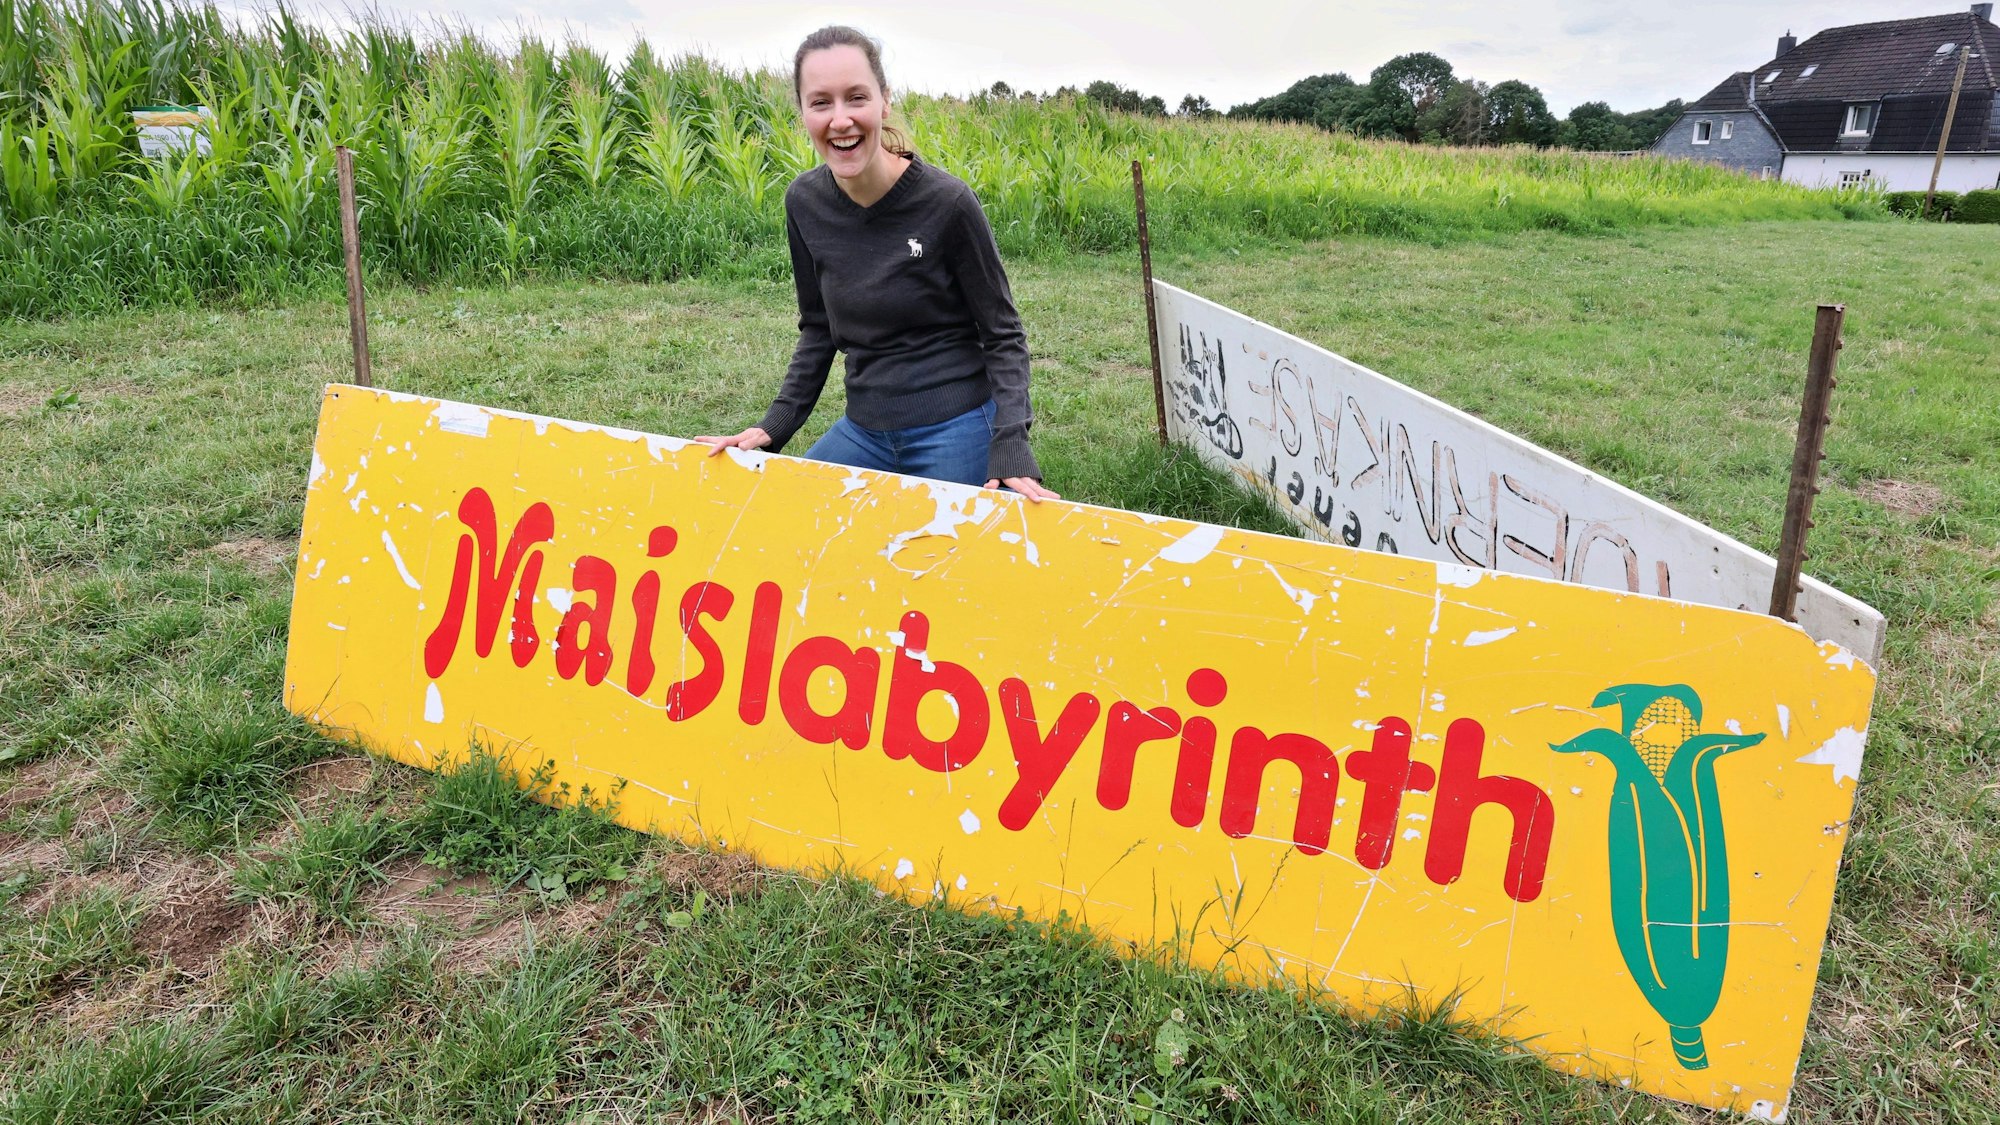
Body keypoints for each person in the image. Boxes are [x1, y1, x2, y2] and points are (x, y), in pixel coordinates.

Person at [696, 26, 1057, 502]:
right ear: (802, 112)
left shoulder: (947, 202)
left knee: (948, 561)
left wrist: (1010, 440)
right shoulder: (803, 201)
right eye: (820, 102)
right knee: (787, 518)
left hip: (957, 423)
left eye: (856, 98)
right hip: (864, 429)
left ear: (884, 101)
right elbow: (819, 327)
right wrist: (774, 425)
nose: (840, 119)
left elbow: (1003, 332)